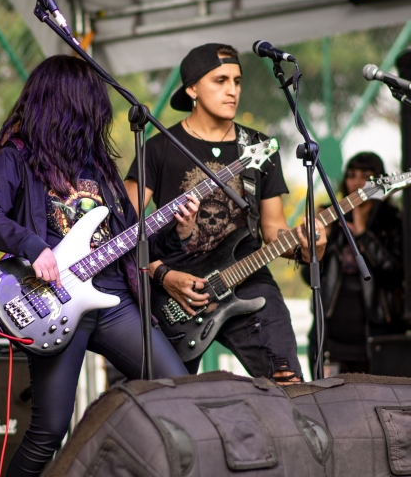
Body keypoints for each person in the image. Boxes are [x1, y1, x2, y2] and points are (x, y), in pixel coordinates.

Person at [0, 55, 191, 476]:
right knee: (49, 430)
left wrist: (176, 230)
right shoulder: (18, 158)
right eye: (93, 101)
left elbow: (128, 240)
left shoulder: (99, 168)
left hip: (115, 302)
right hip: (53, 303)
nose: (100, 111)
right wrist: (32, 246)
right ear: (69, 103)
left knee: (179, 395)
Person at [125, 43, 326, 384]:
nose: (232, 90)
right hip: (177, 293)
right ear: (192, 88)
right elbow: (122, 230)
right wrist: (163, 276)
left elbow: (273, 228)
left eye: (237, 80)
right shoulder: (159, 149)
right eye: (220, 80)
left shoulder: (258, 148)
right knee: (169, 401)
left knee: (290, 387)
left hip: (248, 281)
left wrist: (307, 246)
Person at [302, 152, 404, 377]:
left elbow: (395, 274)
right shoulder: (330, 216)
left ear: (379, 180)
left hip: (376, 333)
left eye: (366, 176)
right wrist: (319, 244)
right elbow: (308, 278)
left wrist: (363, 235)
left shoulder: (392, 220)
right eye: (352, 175)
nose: (357, 183)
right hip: (331, 334)